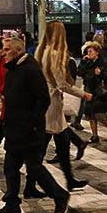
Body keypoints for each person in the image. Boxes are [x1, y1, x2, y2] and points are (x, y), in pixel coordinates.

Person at [0, 38, 70, 213]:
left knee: (34, 168)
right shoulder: (13, 70)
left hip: (28, 129)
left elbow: (43, 99)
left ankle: (60, 195)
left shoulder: (31, 70)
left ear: (17, 51)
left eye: (7, 49)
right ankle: (12, 204)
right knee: (10, 167)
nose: (3, 52)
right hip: (14, 128)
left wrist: (32, 122)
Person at [27, 22, 88, 195]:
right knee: (43, 146)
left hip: (47, 101)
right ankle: (31, 186)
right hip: (52, 103)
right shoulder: (55, 55)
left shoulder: (40, 52)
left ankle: (68, 180)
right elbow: (62, 84)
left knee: (61, 143)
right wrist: (83, 94)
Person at [74, 41, 107, 145]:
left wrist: (101, 73)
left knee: (99, 113)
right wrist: (83, 62)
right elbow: (79, 73)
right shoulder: (87, 62)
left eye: (90, 51)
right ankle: (94, 135)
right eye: (87, 52)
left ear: (97, 52)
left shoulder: (104, 62)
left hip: (100, 91)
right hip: (89, 90)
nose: (88, 53)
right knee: (90, 113)